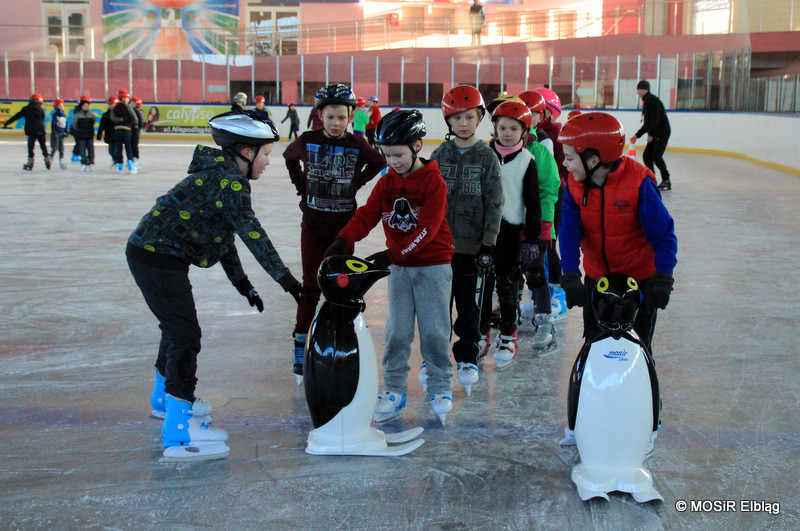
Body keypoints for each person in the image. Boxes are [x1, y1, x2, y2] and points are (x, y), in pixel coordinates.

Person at [126, 111, 308, 459]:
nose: (268, 162)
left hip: (153, 255)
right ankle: (178, 429)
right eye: (266, 153)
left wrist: (244, 285)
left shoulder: (222, 176)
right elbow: (253, 235)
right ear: (245, 152)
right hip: (156, 258)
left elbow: (225, 238)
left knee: (176, 329)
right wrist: (288, 282)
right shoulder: (230, 181)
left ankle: (165, 400)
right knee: (184, 334)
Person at [325, 110, 456, 423]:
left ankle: (440, 384)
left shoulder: (433, 182)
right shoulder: (387, 182)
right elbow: (367, 215)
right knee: (397, 331)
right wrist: (344, 240)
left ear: (417, 145)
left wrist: (390, 255)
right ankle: (395, 389)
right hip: (400, 267)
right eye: (386, 156)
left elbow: (426, 229)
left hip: (432, 266)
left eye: (398, 155)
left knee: (434, 331)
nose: (393, 162)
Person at [556, 112, 676, 447]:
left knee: (639, 352)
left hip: (639, 286)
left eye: (569, 157)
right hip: (599, 284)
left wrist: (663, 279)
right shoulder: (574, 184)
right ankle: (583, 423)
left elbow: (664, 236)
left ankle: (647, 425)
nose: (565, 165)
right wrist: (569, 274)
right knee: (594, 350)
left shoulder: (639, 182)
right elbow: (569, 230)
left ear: (593, 159)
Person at [283, 83, 384, 383]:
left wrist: (357, 183)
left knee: (340, 285)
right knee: (310, 285)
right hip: (312, 226)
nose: (336, 123)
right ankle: (301, 341)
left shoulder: (356, 144)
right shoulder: (307, 140)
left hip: (343, 229)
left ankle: (338, 340)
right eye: (331, 117)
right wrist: (300, 184)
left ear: (351, 116)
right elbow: (289, 157)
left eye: (342, 117)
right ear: (320, 115)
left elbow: (378, 162)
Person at [429, 85, 502, 394]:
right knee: (438, 304)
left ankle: (468, 354)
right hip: (439, 246)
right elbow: (427, 198)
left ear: (479, 117)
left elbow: (495, 200)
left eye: (469, 117)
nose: (462, 124)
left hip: (472, 246)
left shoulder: (487, 156)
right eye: (456, 118)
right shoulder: (438, 155)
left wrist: (489, 241)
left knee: (469, 304)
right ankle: (435, 355)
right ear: (448, 121)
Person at [480, 100, 551, 368]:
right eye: (502, 128)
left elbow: (533, 202)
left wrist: (531, 238)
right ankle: (481, 331)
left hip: (510, 231)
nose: (507, 133)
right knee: (482, 286)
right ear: (494, 129)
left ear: (524, 131)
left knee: (507, 285)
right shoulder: (484, 155)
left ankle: (509, 334)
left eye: (513, 128)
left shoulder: (527, 161)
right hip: (483, 231)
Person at [533, 87, 569, 320]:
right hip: (542, 196)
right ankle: (541, 296)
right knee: (538, 248)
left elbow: (559, 169)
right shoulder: (536, 133)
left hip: (554, 196)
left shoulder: (554, 133)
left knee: (550, 245)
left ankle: (559, 296)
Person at [632, 80, 672, 191]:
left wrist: (651, 134)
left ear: (645, 89)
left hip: (661, 133)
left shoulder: (653, 101)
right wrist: (637, 135)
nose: (638, 92)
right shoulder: (647, 101)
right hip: (655, 133)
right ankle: (652, 179)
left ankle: (666, 180)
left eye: (639, 89)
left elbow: (656, 120)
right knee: (647, 156)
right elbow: (647, 123)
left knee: (656, 156)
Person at [4, 93, 49, 170]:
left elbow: (16, 116)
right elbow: (42, 119)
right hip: (41, 131)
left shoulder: (26, 109)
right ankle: (47, 159)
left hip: (31, 131)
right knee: (43, 146)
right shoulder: (41, 110)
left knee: (31, 148)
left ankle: (30, 162)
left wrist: (7, 123)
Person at [111, 89, 139, 174]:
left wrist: (119, 120)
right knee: (128, 147)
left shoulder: (114, 107)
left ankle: (120, 165)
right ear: (123, 98)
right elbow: (134, 117)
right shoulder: (128, 107)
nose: (128, 100)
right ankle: (130, 163)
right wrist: (135, 126)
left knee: (119, 147)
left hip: (118, 130)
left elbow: (113, 118)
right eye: (127, 98)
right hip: (126, 130)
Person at [70, 95, 97, 171]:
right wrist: (80, 130)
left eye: (87, 105)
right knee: (82, 149)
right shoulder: (77, 115)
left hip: (89, 135)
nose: (86, 107)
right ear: (81, 106)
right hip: (81, 135)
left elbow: (93, 122)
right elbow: (74, 124)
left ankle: (91, 162)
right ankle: (83, 162)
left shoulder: (91, 115)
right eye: (84, 105)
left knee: (91, 149)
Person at [97, 96, 118, 169]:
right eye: (110, 104)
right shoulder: (105, 115)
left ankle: (117, 161)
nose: (111, 106)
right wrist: (99, 135)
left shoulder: (119, 115)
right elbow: (101, 125)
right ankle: (115, 159)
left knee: (116, 149)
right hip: (109, 135)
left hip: (117, 135)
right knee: (111, 150)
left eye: (113, 104)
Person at [49, 99, 68, 169]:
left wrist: (66, 131)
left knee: (61, 148)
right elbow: (53, 125)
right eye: (60, 105)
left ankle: (61, 161)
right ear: (56, 106)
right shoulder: (55, 114)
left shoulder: (64, 114)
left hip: (62, 133)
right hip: (56, 133)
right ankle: (50, 160)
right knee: (55, 148)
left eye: (62, 105)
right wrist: (55, 133)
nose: (62, 107)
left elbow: (65, 123)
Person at [130, 97, 145, 168]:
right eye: (131, 103)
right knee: (131, 145)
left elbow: (140, 121)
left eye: (133, 103)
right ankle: (132, 158)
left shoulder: (137, 112)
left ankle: (136, 158)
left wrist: (139, 128)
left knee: (134, 145)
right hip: (130, 130)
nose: (131, 104)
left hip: (135, 131)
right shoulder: (130, 111)